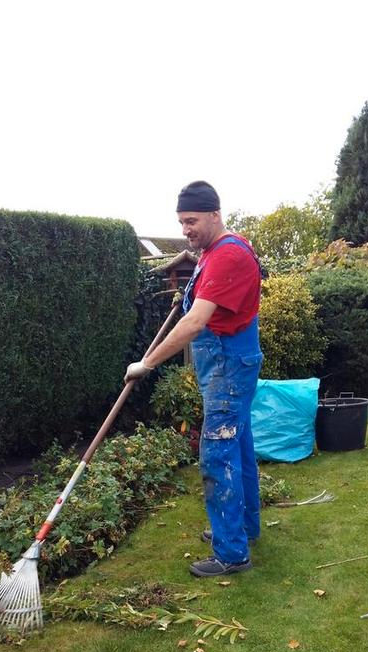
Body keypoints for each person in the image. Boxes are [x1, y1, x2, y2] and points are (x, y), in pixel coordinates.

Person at [125, 180, 263, 577]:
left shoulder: (227, 256)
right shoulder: (216, 250)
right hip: (230, 361)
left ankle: (232, 553)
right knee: (238, 445)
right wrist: (187, 294)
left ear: (215, 215)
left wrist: (147, 362)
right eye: (181, 221)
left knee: (218, 453)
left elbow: (196, 322)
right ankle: (245, 529)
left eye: (192, 220)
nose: (186, 228)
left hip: (227, 365)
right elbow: (202, 297)